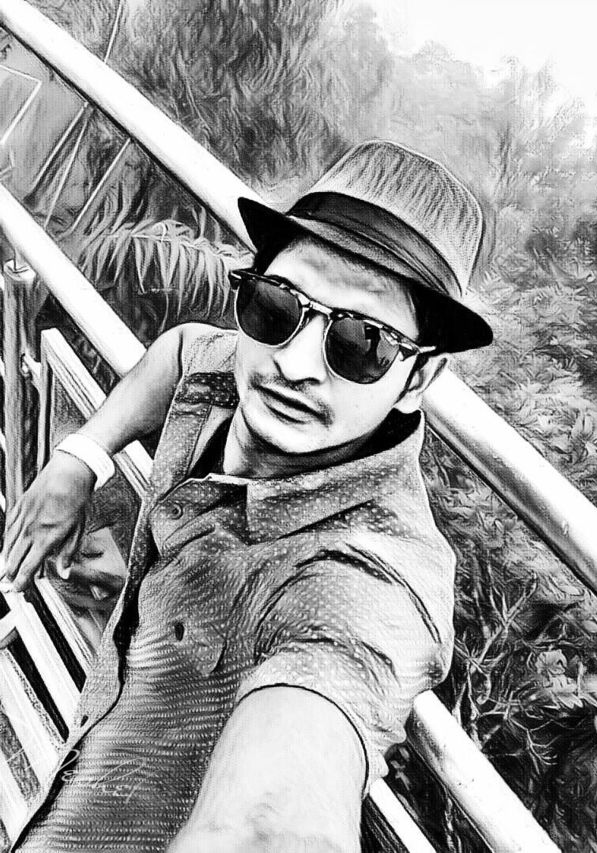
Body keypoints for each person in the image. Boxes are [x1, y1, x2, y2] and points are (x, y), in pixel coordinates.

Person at [1, 140, 493, 852]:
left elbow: (273, 819)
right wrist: (80, 459)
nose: (294, 363)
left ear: (417, 378)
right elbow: (181, 351)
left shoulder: (365, 578)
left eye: (362, 343)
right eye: (276, 306)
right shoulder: (230, 373)